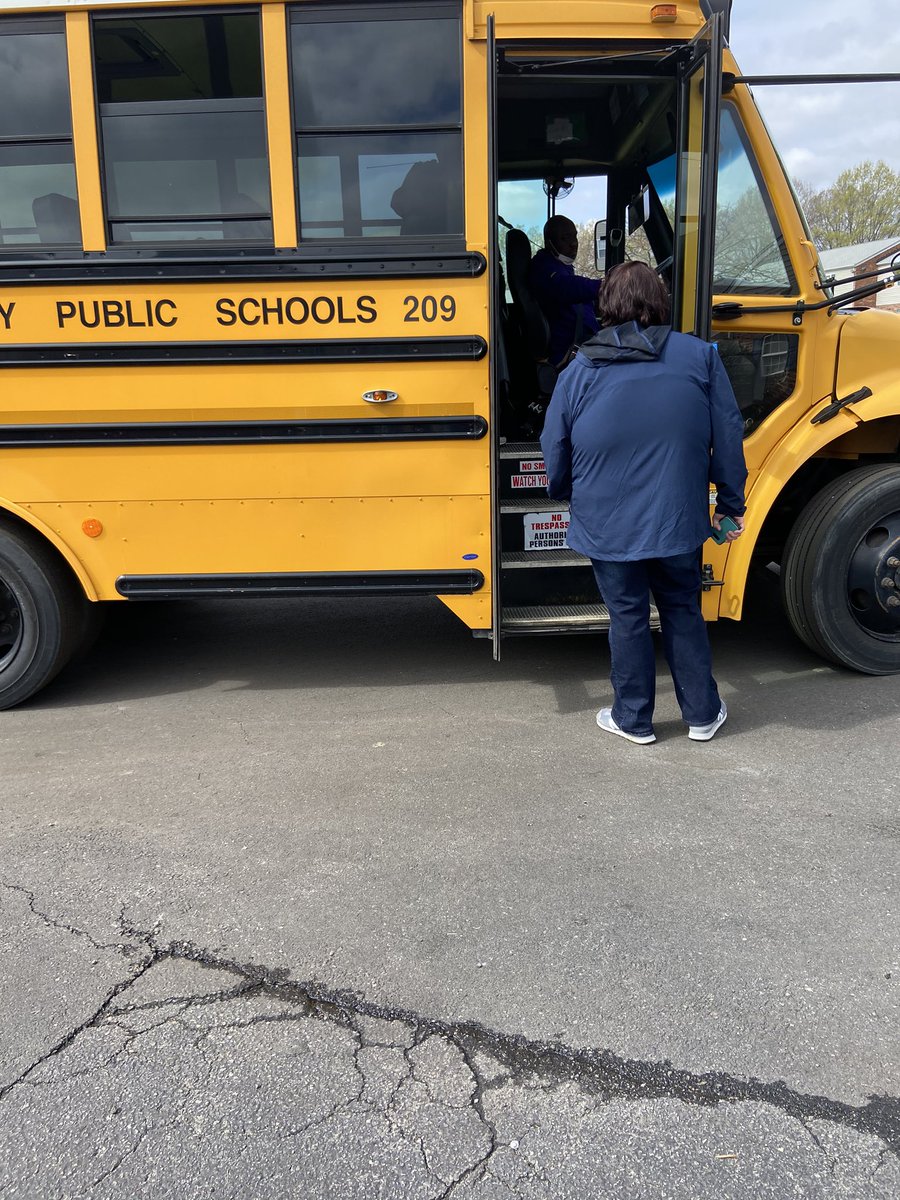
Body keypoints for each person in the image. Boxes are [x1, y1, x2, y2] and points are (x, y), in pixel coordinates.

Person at [540, 261, 747, 745]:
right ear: (659, 301)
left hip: (607, 521)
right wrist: (729, 503)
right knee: (681, 608)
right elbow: (729, 433)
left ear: (605, 305)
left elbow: (554, 444)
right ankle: (702, 714)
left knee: (627, 615)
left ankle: (633, 719)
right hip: (677, 517)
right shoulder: (699, 356)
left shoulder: (579, 369)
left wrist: (567, 491)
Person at [528, 215, 602, 367]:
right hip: (569, 355)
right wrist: (608, 286)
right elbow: (566, 287)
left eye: (574, 237)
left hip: (584, 346)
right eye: (565, 238)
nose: (574, 243)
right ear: (550, 243)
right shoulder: (543, 268)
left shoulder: (562, 267)